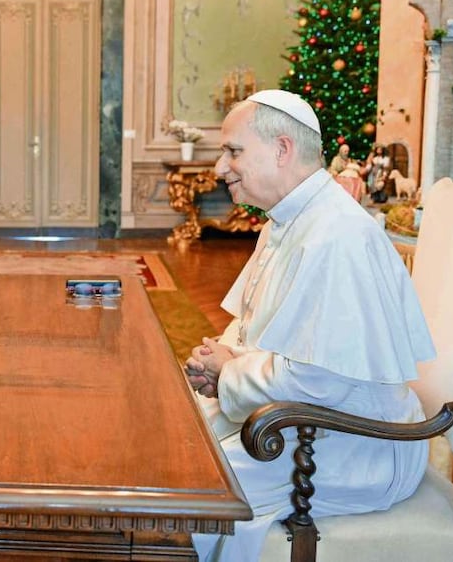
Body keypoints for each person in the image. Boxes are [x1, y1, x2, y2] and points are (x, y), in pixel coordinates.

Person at [184, 90, 435, 561]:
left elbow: (320, 381)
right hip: (301, 423)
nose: (221, 168)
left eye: (233, 151)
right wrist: (218, 360)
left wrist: (228, 373)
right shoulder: (288, 221)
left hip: (356, 445)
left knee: (186, 494)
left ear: (282, 150)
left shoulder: (337, 235)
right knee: (172, 444)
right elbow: (256, 329)